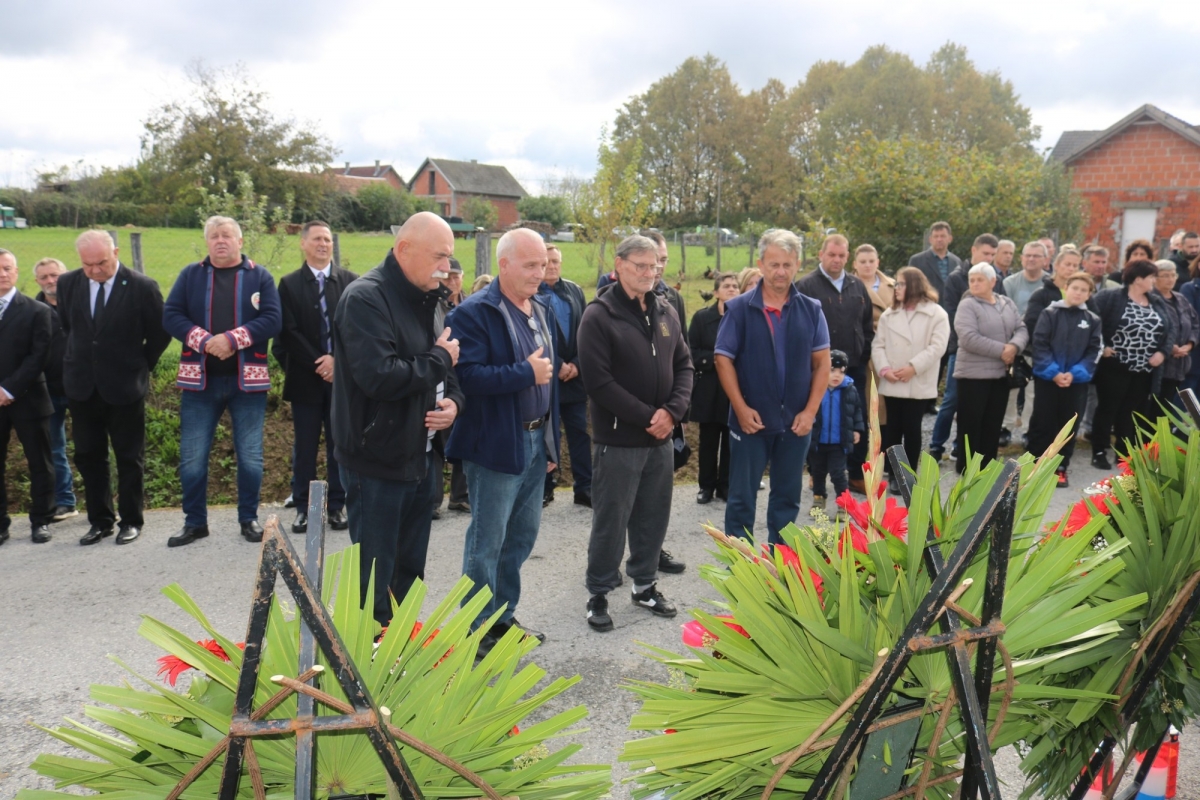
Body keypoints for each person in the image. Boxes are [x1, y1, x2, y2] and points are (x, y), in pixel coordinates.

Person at [331, 212, 463, 628]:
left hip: (422, 458)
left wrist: (454, 404)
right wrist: (440, 359)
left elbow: (450, 369)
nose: (447, 266)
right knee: (374, 576)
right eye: (440, 255)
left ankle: (403, 652)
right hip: (377, 461)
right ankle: (369, 667)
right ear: (404, 250)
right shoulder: (365, 299)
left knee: (410, 571)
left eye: (450, 256)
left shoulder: (431, 298)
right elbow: (380, 376)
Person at [446, 227, 560, 654]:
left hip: (534, 442)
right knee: (487, 542)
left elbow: (553, 383)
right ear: (504, 264)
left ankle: (503, 618)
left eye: (543, 264)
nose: (539, 272)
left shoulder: (542, 308)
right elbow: (465, 377)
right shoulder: (473, 313)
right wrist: (523, 374)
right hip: (494, 443)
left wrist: (550, 443)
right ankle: (475, 631)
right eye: (530, 265)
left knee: (521, 537)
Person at [578, 234, 693, 631]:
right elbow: (599, 383)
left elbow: (685, 366)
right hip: (619, 439)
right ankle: (598, 592)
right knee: (612, 518)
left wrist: (672, 413)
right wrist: (649, 416)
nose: (649, 272)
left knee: (652, 517)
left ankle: (644, 585)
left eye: (654, 265)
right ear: (620, 265)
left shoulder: (665, 310)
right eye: (641, 265)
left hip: (659, 439)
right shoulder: (599, 315)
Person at [162, 216, 282, 547]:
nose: (220, 241)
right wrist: (204, 341)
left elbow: (273, 319)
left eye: (226, 235)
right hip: (200, 384)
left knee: (250, 456)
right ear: (207, 242)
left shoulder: (260, 276)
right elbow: (171, 314)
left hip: (248, 383)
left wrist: (231, 339)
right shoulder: (191, 275)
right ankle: (195, 522)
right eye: (214, 236)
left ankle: (249, 519)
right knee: (192, 456)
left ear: (240, 241)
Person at [716, 229, 830, 544]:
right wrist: (740, 408)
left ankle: (781, 567)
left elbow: (822, 365)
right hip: (751, 420)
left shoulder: (812, 309)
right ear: (761, 263)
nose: (780, 272)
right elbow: (722, 360)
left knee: (787, 499)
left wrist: (809, 412)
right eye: (773, 264)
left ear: (798, 265)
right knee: (741, 499)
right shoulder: (738, 309)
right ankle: (739, 569)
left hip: (796, 423)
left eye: (787, 264)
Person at [58, 230, 170, 546]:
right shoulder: (69, 283)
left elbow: (160, 333)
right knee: (88, 455)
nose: (94, 270)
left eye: (101, 263)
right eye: (87, 264)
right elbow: (69, 327)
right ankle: (100, 520)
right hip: (82, 387)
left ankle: (131, 520)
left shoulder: (141, 286)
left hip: (125, 386)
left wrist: (139, 364)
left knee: (128, 456)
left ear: (116, 252)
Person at [273, 220, 357, 534]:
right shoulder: (289, 284)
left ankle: (337, 506)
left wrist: (337, 362)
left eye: (327, 239)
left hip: (341, 382)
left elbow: (355, 329)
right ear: (303, 243)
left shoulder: (349, 282)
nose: (323, 244)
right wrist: (317, 363)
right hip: (306, 381)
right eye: (317, 239)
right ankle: (305, 509)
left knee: (340, 445)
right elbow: (288, 332)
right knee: (305, 447)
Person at [796, 234, 873, 492]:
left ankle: (855, 472)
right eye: (832, 254)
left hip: (853, 369)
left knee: (854, 418)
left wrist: (862, 355)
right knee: (817, 418)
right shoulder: (806, 286)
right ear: (821, 254)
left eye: (841, 255)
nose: (837, 260)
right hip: (817, 370)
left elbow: (867, 325)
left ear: (847, 257)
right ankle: (815, 470)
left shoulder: (857, 285)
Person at [1090, 260, 1173, 469]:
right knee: (1108, 409)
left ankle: (1124, 454)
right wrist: (1102, 347)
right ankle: (1099, 451)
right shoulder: (1111, 297)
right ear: (1138, 279)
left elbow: (1170, 329)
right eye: (1151, 277)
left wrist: (1162, 353)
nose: (1155, 281)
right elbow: (1091, 319)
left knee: (1132, 412)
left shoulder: (1155, 301)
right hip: (1115, 367)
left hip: (1144, 370)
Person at [872, 266, 949, 492]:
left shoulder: (937, 314)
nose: (896, 288)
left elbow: (938, 346)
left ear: (914, 285)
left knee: (912, 427)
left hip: (918, 380)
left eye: (901, 284)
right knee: (893, 427)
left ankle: (909, 474)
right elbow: (878, 344)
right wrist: (885, 369)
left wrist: (913, 368)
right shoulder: (890, 314)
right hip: (893, 380)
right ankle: (895, 474)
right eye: (896, 283)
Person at [929, 234, 1003, 461]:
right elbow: (952, 313)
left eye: (993, 254)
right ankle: (936, 445)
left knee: (979, 408)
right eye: (985, 253)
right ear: (974, 250)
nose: (989, 258)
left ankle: (962, 447)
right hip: (960, 349)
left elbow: (1003, 311)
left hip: (990, 356)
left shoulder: (995, 278)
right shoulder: (956, 278)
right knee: (952, 399)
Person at [1026, 272, 1102, 487]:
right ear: (1066, 288)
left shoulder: (1092, 320)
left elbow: (1094, 350)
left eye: (1083, 290)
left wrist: (1075, 373)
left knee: (1067, 425)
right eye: (1075, 288)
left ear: (1089, 294)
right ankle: (1034, 463)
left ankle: (1060, 467)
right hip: (1048, 380)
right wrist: (1054, 372)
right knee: (1043, 421)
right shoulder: (1049, 314)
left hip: (1076, 383)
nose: (1078, 293)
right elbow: (1039, 344)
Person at [0, 248, 54, 546]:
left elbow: (39, 356)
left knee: (40, 462)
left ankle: (41, 520)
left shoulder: (37, 311)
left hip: (29, 397)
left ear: (17, 272)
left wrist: (7, 389)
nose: (2, 274)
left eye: (7, 268)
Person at [953, 263, 1027, 473]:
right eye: (972, 280)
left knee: (992, 425)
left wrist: (1014, 346)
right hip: (972, 377)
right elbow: (968, 338)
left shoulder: (1006, 303)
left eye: (980, 280)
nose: (975, 284)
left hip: (1000, 376)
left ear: (993, 282)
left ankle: (987, 470)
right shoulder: (967, 305)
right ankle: (967, 470)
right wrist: (1003, 350)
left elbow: (1021, 328)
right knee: (971, 426)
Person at [539, 244, 592, 508]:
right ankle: (545, 487)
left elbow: (586, 332)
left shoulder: (574, 291)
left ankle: (584, 487)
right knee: (546, 434)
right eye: (547, 261)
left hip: (575, 376)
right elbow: (533, 335)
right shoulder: (531, 292)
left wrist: (577, 364)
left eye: (556, 261)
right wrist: (558, 363)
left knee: (580, 433)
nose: (552, 266)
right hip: (546, 376)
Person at [32, 257, 77, 522]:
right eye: (44, 277)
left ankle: (106, 502)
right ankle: (65, 501)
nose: (50, 281)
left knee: (92, 449)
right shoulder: (32, 310)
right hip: (48, 392)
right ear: (38, 281)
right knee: (54, 449)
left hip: (82, 388)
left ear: (66, 275)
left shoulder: (81, 303)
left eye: (55, 275)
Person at [690, 271, 738, 504]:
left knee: (731, 441)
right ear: (716, 292)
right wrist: (718, 359)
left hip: (734, 390)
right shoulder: (701, 318)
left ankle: (725, 486)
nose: (731, 289)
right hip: (709, 388)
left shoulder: (744, 318)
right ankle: (706, 487)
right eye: (726, 286)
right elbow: (691, 352)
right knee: (708, 442)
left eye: (735, 286)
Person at [1000, 241, 1051, 447]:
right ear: (1021, 258)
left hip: (1041, 346)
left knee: (1034, 392)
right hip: (1015, 342)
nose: (1031, 259)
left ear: (1045, 260)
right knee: (1011, 387)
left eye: (1036, 256)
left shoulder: (1050, 283)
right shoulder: (1010, 282)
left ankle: (1030, 430)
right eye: (1027, 255)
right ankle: (1006, 427)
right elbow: (1005, 313)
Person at [431, 257, 469, 517]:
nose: (453, 282)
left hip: (466, 378)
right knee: (436, 440)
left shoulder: (469, 304)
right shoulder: (433, 305)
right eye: (448, 277)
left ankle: (460, 495)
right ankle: (433, 500)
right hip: (438, 376)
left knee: (464, 438)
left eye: (457, 276)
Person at [807, 350, 864, 513]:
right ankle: (819, 498)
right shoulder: (815, 388)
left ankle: (844, 503)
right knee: (817, 472)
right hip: (818, 441)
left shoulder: (849, 390)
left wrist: (857, 429)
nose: (836, 375)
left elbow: (857, 411)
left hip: (839, 443)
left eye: (841, 371)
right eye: (832, 370)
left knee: (838, 473)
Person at [853, 244, 895, 435]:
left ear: (878, 262)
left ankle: (886, 453)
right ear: (855, 264)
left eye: (871, 261)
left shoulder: (893, 285)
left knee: (888, 404)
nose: (867, 265)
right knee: (868, 401)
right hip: (863, 349)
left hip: (892, 349)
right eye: (863, 262)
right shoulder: (849, 286)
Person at [1151, 259, 1199, 407]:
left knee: (1175, 406)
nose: (1170, 279)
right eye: (1165, 275)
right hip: (1158, 365)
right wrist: (1170, 347)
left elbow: (1195, 324)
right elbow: (1153, 328)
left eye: (1173, 275)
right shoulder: (1150, 299)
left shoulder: (1180, 299)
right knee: (1155, 408)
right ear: (1154, 277)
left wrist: (1190, 344)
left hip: (1181, 364)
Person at [908, 221, 960, 298]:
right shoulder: (916, 261)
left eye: (942, 236)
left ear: (950, 239)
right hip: (926, 306)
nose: (939, 239)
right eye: (936, 236)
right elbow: (910, 287)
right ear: (930, 239)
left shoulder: (956, 261)